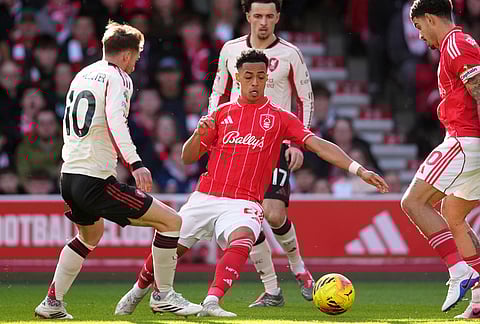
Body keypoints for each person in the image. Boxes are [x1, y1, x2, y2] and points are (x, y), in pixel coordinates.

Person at [118, 49, 388, 317]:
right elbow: (187, 158)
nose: (255, 82)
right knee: (171, 247)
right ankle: (138, 290)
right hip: (205, 195)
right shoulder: (221, 114)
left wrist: (358, 169)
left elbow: (318, 145)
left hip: (244, 201)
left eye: (261, 76)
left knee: (243, 237)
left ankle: (212, 301)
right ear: (238, 78)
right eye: (249, 76)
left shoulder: (281, 117)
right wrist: (196, 136)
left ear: (267, 77)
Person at [117, 0, 315, 312]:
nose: (263, 22)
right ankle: (272, 289)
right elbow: (218, 92)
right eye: (258, 15)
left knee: (271, 213)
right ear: (248, 16)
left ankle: (300, 269)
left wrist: (297, 142)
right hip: (235, 139)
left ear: (277, 17)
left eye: (269, 16)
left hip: (275, 140)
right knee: (250, 215)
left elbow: (304, 98)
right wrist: (211, 129)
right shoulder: (230, 49)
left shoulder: (291, 53)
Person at [33, 21, 202, 319]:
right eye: (136, 55)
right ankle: (164, 296)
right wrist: (135, 162)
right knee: (171, 221)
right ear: (125, 55)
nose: (137, 60)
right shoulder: (119, 78)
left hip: (69, 175)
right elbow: (115, 120)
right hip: (94, 179)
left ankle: (52, 302)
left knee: (89, 236)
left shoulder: (82, 74)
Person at [402, 0, 480, 317]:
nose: (420, 36)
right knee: (454, 215)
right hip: (468, 141)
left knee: (413, 202)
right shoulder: (458, 43)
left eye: (419, 27)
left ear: (431, 19)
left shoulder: (456, 45)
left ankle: (458, 270)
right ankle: (479, 301)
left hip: (464, 140)